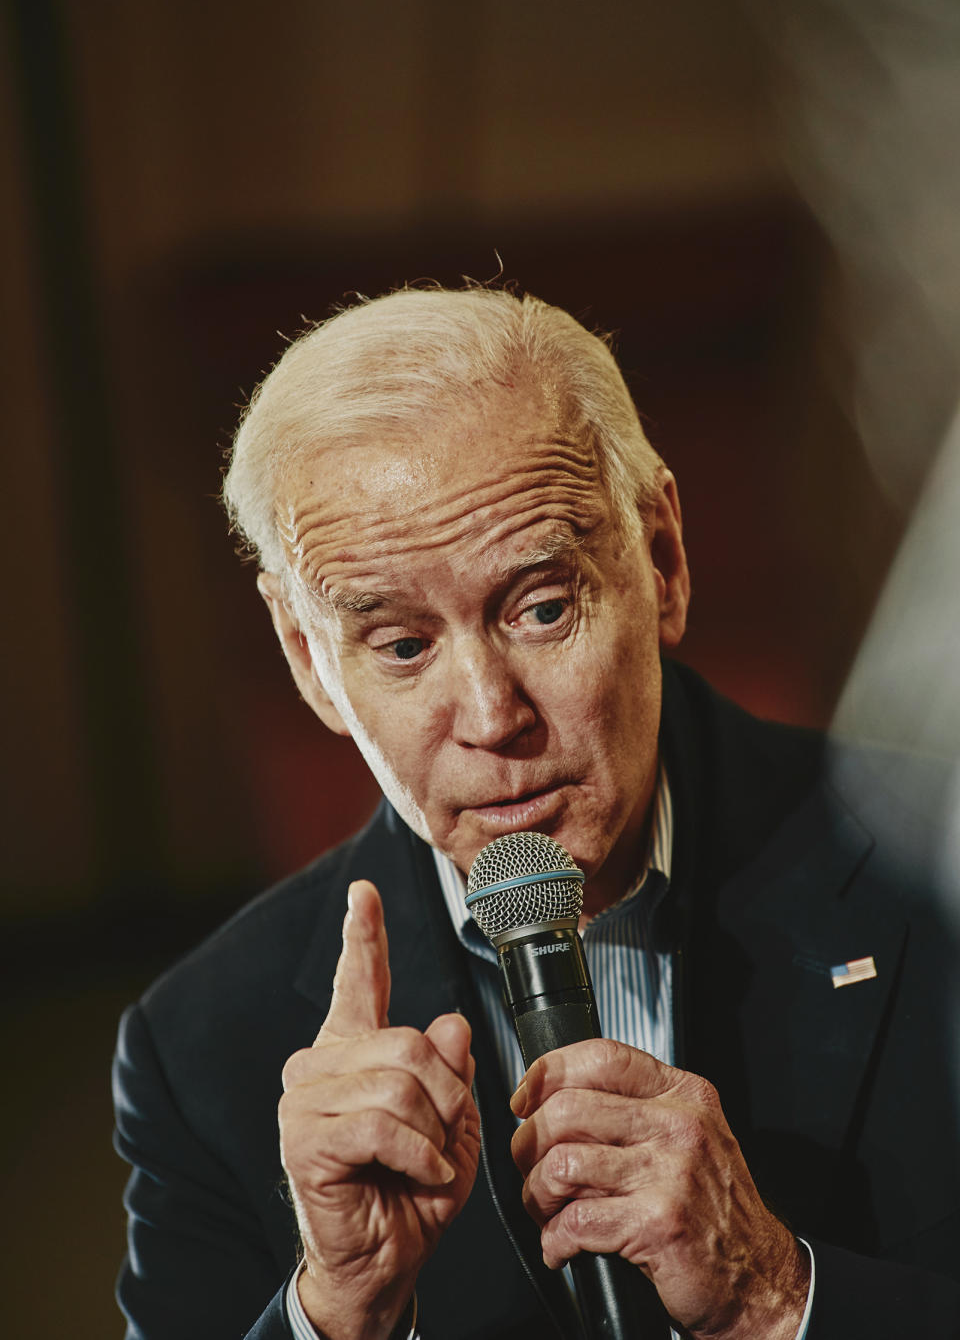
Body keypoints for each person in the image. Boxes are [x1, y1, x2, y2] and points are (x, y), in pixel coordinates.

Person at [113, 285, 960, 1340]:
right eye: (402, 645)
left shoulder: (939, 878)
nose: (490, 716)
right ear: (309, 662)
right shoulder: (200, 1048)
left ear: (663, 560)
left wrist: (778, 1298)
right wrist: (337, 1311)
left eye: (542, 606)